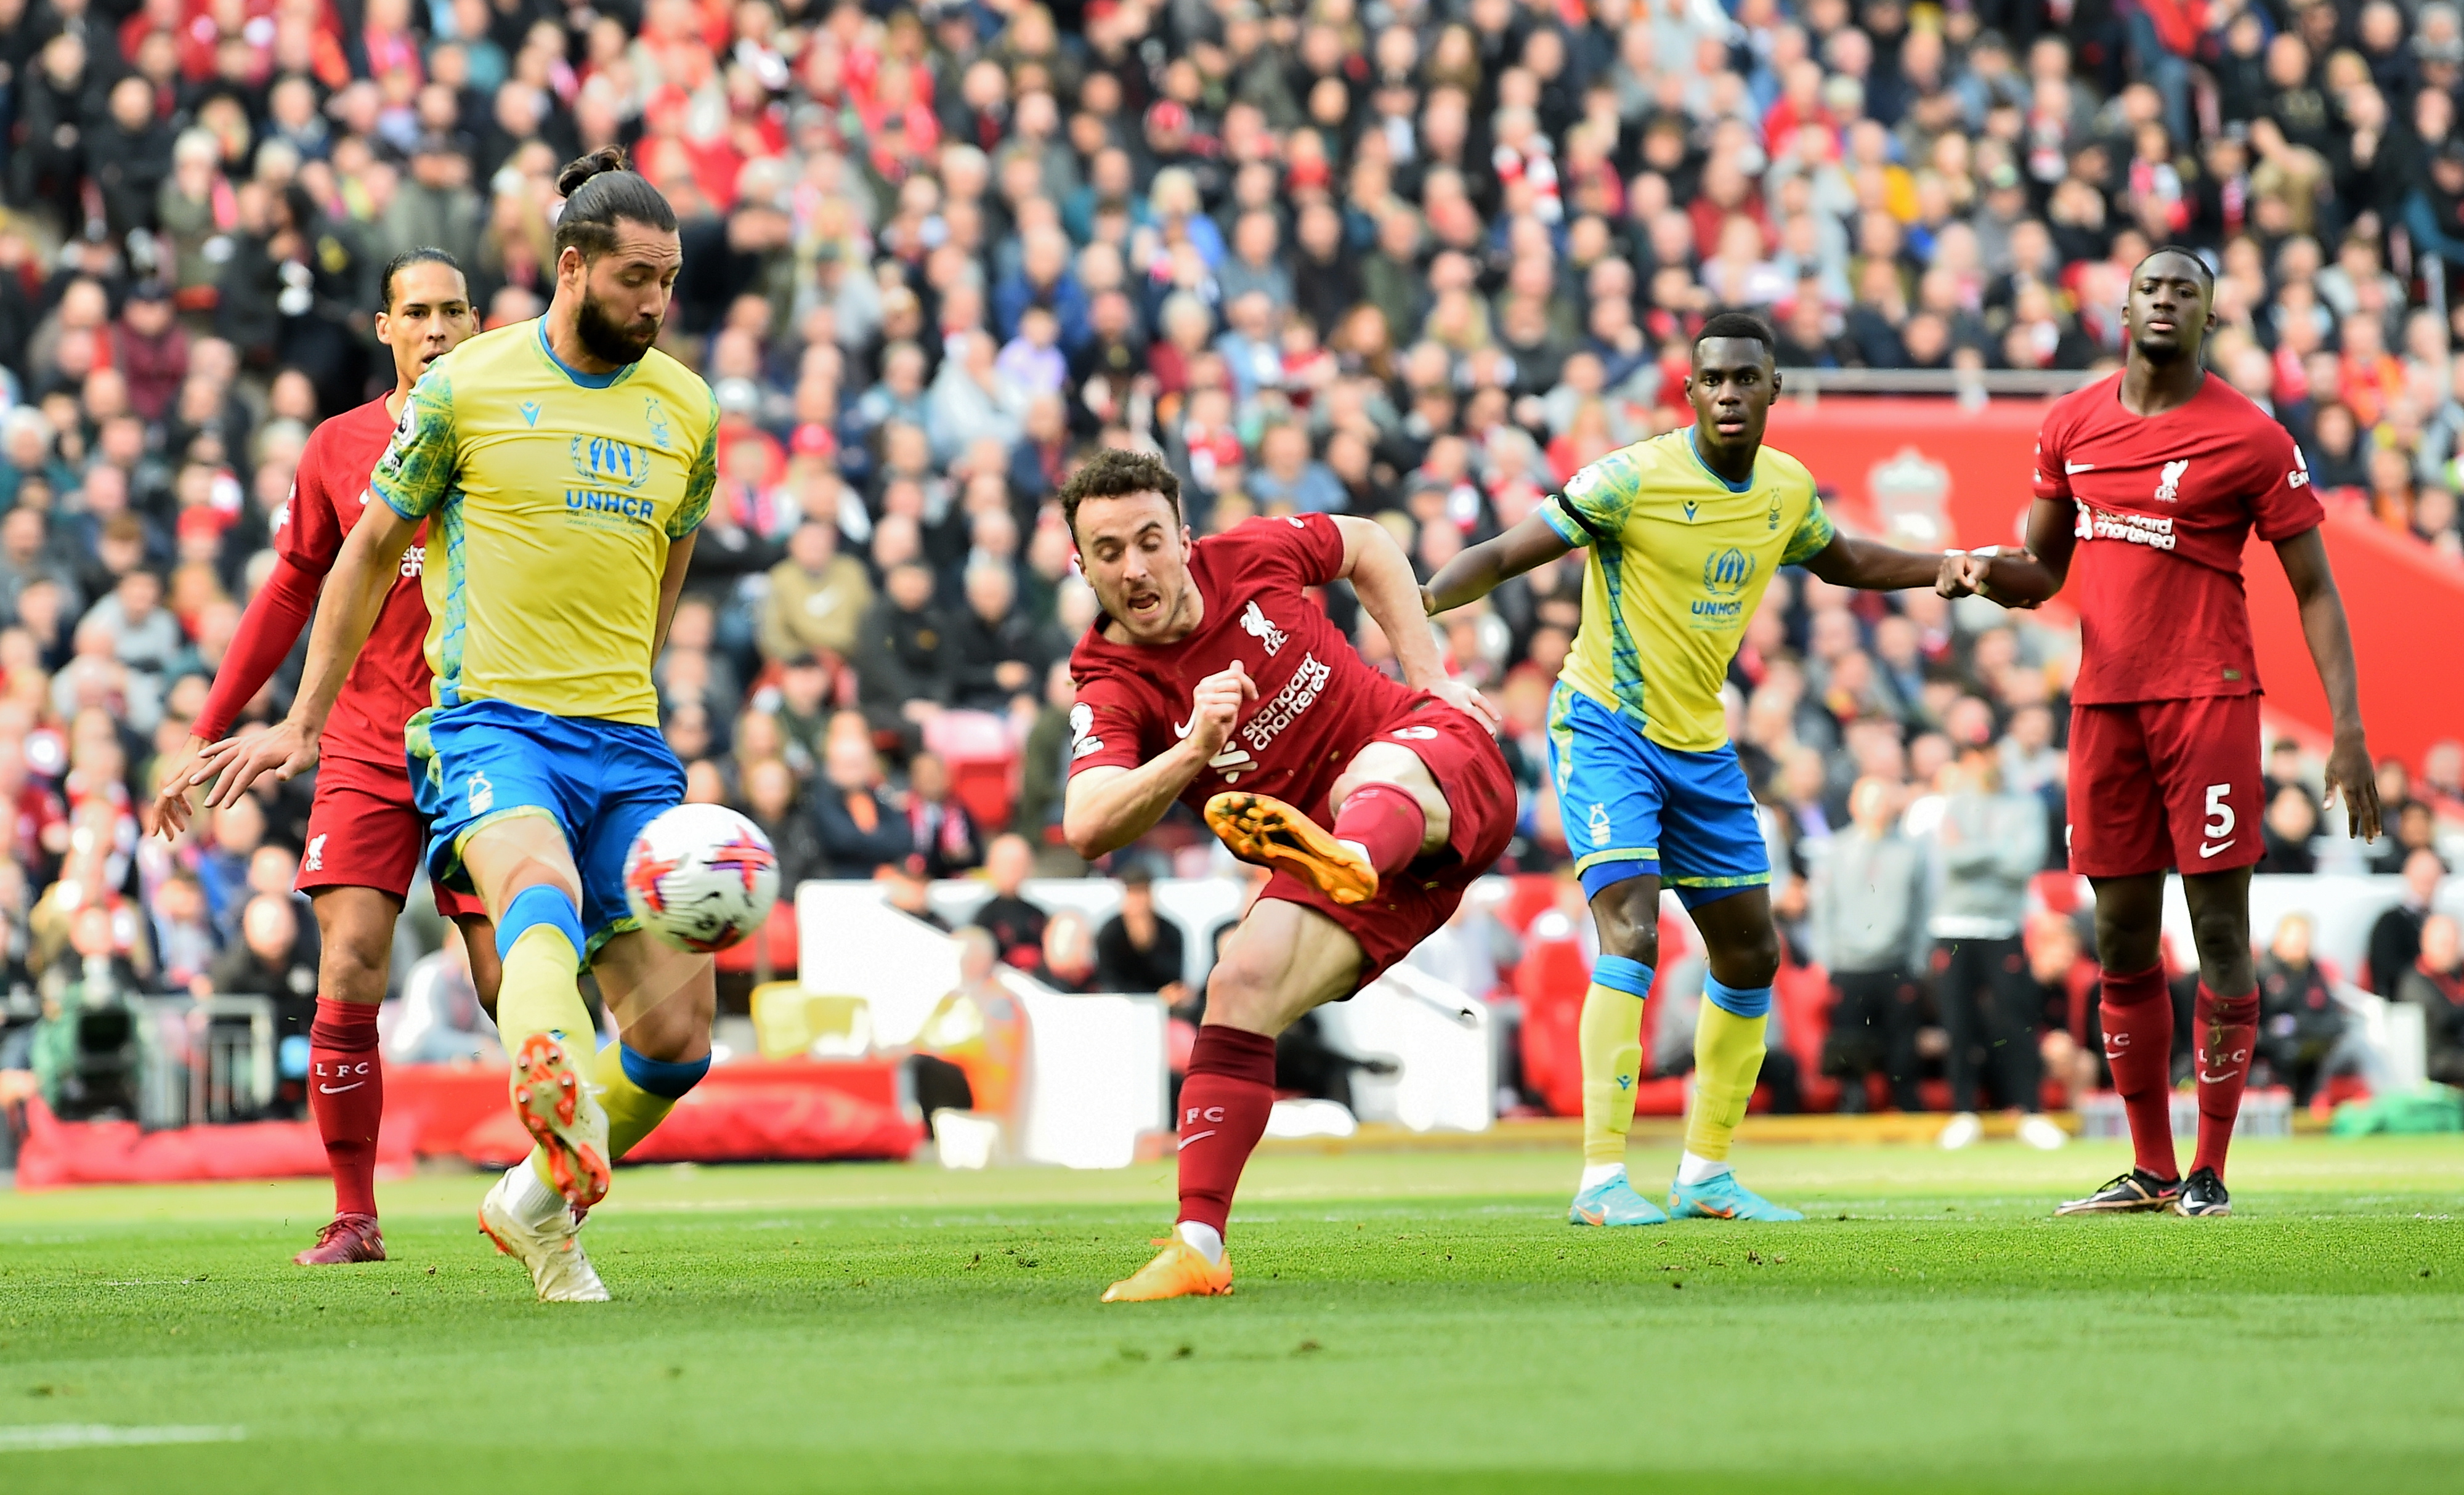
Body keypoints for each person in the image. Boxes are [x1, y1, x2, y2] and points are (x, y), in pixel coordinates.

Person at [192, 149, 724, 1303]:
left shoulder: (688, 408)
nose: (658, 302)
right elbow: (360, 557)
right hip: (490, 722)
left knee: (681, 1035)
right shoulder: (467, 389)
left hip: (624, 740)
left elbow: (666, 568)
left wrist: (628, 687)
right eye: (639, 277)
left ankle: (535, 1197)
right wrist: (299, 718)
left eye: (671, 281)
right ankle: (528, 1091)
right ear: (572, 268)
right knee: (533, 907)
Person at [1423, 312, 1968, 1228]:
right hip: (1605, 726)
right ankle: (1601, 1179)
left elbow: (1843, 561)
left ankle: (1705, 1173)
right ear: (1690, 391)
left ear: (1771, 391)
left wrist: (1940, 568)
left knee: (1752, 950)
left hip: (1700, 746)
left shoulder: (1786, 490)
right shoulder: (1630, 479)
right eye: (1711, 379)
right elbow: (1506, 552)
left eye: (1744, 379)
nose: (1726, 393)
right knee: (1630, 931)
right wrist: (1419, 607)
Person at [1942, 245, 2381, 1219]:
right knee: (2120, 934)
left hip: (2211, 700)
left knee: (2218, 927)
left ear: (2209, 317)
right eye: (2152, 286)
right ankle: (2149, 1165)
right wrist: (1978, 569)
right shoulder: (2071, 423)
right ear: (2125, 305)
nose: (2167, 301)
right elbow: (2040, 569)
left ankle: (2211, 1167)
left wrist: (2347, 729)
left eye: (2187, 290)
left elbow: (2314, 586)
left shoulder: (2253, 437)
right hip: (2105, 706)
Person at [1060, 447, 1511, 1302]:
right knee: (1239, 982)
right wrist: (1191, 749)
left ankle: (1353, 846)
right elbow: (1087, 822)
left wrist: (1430, 674)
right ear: (1079, 566)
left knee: (1361, 783)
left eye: (1150, 539)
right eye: (1109, 551)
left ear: (1185, 538)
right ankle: (1199, 1245)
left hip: (1438, 769)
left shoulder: (1255, 554)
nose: (1135, 566)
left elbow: (1370, 542)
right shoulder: (1112, 683)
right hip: (1345, 872)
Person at [152, 247, 495, 1266]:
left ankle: (553, 1187)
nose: (436, 329)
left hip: (486, 733)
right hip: (362, 738)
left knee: (506, 971)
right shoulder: (338, 448)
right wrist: (215, 722)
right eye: (417, 313)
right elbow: (291, 588)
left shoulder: (508, 433)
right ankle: (356, 1212)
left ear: (476, 325)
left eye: (453, 311)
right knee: (348, 959)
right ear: (383, 329)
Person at [1927, 742, 2064, 1151]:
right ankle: (1964, 1110)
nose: (1985, 764)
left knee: (2016, 1021)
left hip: (2002, 925)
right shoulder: (1955, 804)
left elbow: (2025, 861)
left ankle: (2030, 1109)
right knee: (1959, 1022)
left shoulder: (2026, 806)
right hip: (1953, 925)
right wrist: (1999, 848)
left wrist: (1978, 851)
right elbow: (1955, 858)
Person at [1810, 776, 1929, 1114]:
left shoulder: (1910, 852)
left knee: (1903, 1047)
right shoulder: (1835, 850)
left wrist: (1916, 962)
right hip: (1849, 965)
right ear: (1854, 805)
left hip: (1896, 965)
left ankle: (1906, 1107)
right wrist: (1826, 960)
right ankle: (1853, 1104)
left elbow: (1921, 909)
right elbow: (1824, 909)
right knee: (1850, 1045)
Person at [2253, 912, 2358, 1105]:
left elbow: (2335, 1022)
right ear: (2279, 939)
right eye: (2296, 940)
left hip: (2311, 1048)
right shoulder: (2262, 972)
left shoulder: (2313, 973)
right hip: (2272, 1055)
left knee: (2347, 1047)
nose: (2302, 946)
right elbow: (2260, 1027)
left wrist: (2298, 1024)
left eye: (2305, 940)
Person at [1093, 864, 1187, 999]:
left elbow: (1173, 978)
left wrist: (1149, 945)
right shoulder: (1110, 933)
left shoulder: (1171, 931)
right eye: (1133, 893)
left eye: (1142, 892)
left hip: (1164, 1002)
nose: (1138, 901)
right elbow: (1108, 980)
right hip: (1122, 1001)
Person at [2367, 848, 2448, 995]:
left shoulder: (2443, 923)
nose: (2427, 882)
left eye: (2432, 877)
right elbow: (2387, 972)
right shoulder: (2390, 923)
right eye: (2422, 877)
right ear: (2407, 875)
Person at [2397, 914, 2464, 1087]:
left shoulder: (2456, 974)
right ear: (2426, 944)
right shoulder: (2416, 985)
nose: (2450, 949)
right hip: (2440, 1070)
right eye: (2444, 944)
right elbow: (2430, 1054)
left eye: (2454, 943)